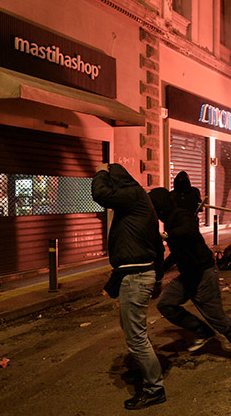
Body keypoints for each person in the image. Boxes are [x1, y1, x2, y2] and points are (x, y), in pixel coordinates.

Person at [148, 187, 231, 365]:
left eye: (154, 208)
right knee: (167, 305)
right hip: (188, 275)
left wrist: (167, 235)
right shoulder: (170, 221)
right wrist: (160, 271)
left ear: (160, 206)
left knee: (217, 318)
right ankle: (202, 331)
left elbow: (189, 231)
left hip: (203, 274)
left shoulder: (181, 216)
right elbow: (177, 252)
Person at [91, 163, 167, 410]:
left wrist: (102, 171)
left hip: (136, 277)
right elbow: (157, 242)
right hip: (138, 275)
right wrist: (157, 278)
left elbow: (100, 194)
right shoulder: (139, 203)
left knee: (136, 337)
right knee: (133, 331)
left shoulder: (133, 196)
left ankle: (154, 389)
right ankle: (147, 373)